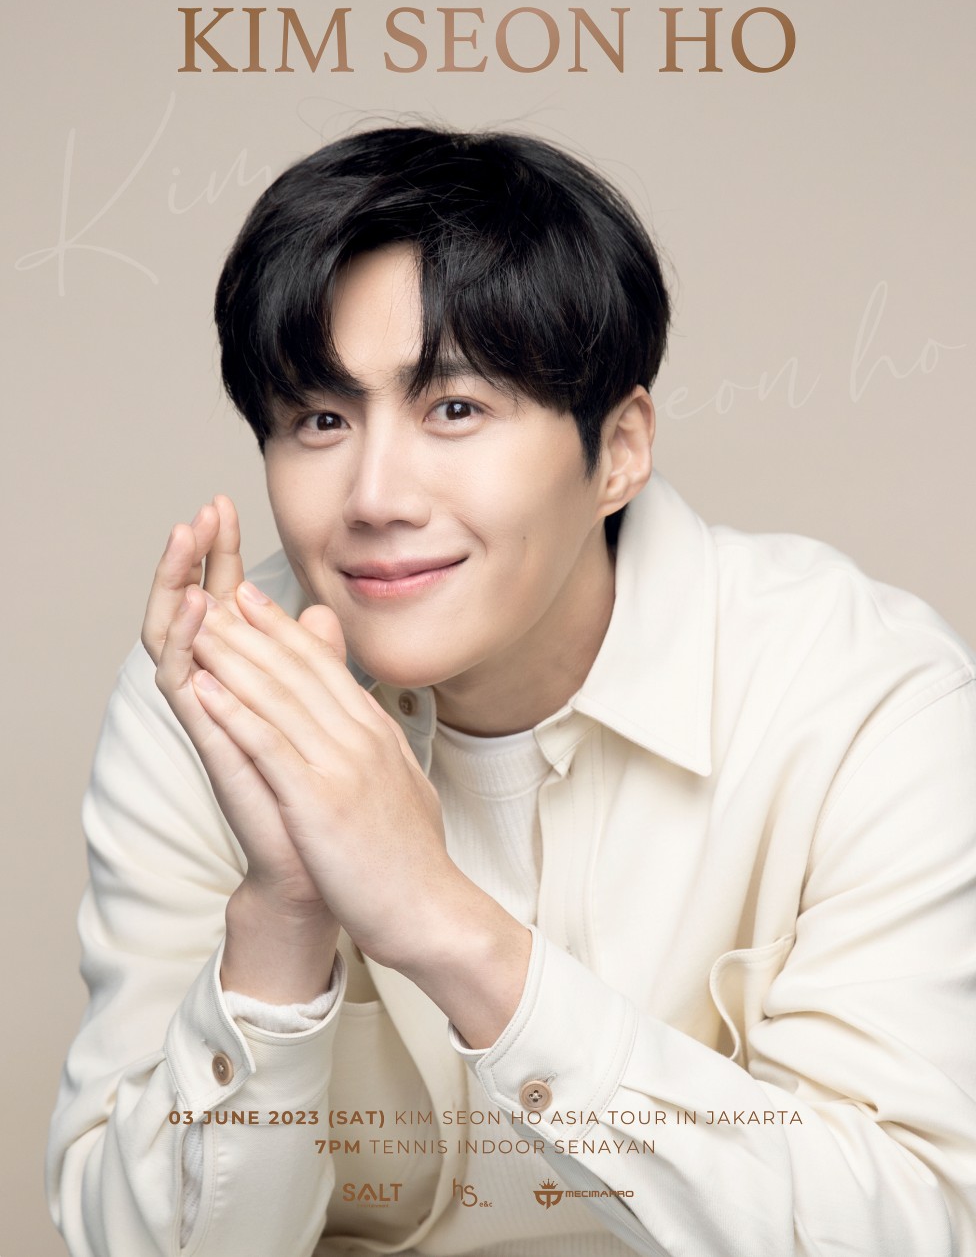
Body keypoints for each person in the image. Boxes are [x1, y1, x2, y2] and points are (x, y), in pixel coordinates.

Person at [48, 126, 976, 1257]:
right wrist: (283, 917)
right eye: (320, 419)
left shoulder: (864, 695)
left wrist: (448, 928)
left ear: (618, 447)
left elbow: (909, 1224)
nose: (375, 496)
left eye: (455, 409)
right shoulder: (215, 691)